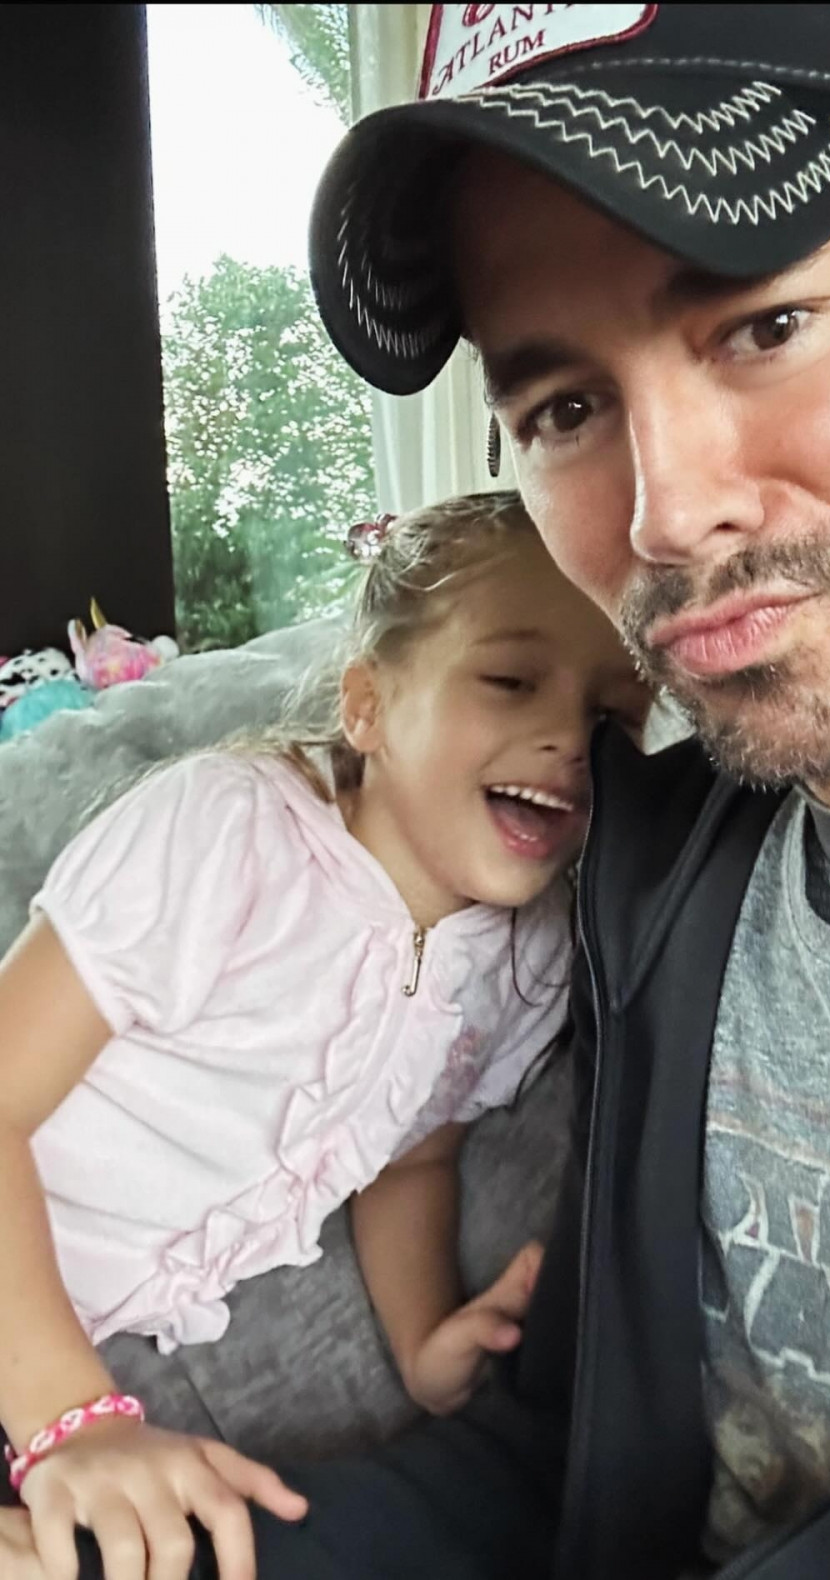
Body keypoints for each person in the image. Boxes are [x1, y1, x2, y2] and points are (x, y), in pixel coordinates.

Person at [9, 3, 830, 1576]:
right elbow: (557, 1473)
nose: (664, 514)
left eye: (766, 325)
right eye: (565, 408)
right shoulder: (650, 873)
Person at [0, 491, 651, 1579]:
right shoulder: (228, 834)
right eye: (509, 679)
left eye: (615, 715)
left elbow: (413, 1154)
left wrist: (425, 1342)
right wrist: (73, 1421)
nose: (569, 741)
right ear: (368, 706)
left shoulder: (532, 957)